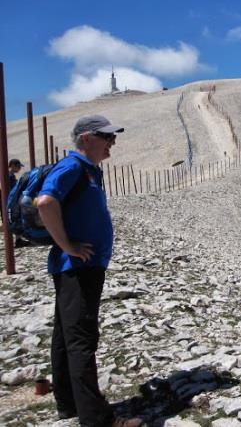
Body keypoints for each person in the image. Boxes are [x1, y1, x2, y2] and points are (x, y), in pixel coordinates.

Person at [37, 115, 141, 427]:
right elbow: (45, 203)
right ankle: (98, 420)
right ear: (86, 138)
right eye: (106, 137)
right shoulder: (72, 168)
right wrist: (68, 246)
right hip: (78, 267)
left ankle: (69, 404)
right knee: (81, 338)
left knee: (66, 336)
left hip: (80, 266)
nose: (112, 142)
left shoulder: (88, 171)